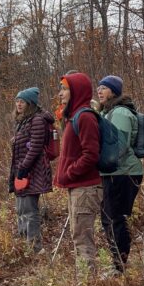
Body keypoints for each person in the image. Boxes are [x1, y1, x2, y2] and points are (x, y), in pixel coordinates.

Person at [55, 72, 103, 275]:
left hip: (86, 187)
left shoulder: (84, 117)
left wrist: (70, 173)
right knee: (78, 236)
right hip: (77, 187)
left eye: (65, 89)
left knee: (82, 239)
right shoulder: (73, 117)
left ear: (76, 91)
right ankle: (84, 284)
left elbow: (91, 154)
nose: (60, 93)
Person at [95, 75, 143, 275]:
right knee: (111, 217)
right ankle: (119, 264)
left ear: (114, 92)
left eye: (104, 88)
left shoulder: (121, 113)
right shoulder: (110, 111)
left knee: (114, 218)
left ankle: (120, 266)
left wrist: (101, 160)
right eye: (98, 87)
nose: (99, 91)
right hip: (116, 172)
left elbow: (120, 146)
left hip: (123, 173)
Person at [9, 87, 53, 251]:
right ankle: (24, 246)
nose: (18, 104)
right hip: (22, 171)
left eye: (22, 101)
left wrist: (23, 168)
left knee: (29, 209)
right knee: (21, 209)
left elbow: (35, 148)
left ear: (30, 104)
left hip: (32, 172)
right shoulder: (23, 121)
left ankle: (35, 248)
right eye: (17, 101)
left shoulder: (37, 120)